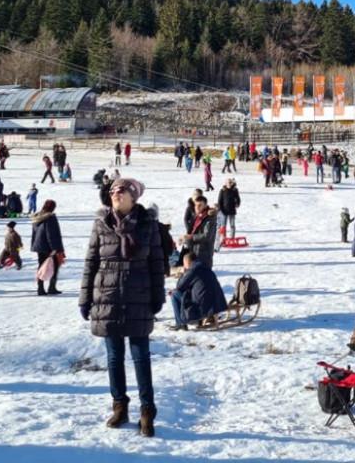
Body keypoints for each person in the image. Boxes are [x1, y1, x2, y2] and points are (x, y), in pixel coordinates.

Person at [79, 177, 164, 438]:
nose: (115, 194)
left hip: (139, 296)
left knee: (141, 357)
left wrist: (157, 296)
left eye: (121, 190)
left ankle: (147, 411)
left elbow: (157, 263)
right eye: (113, 190)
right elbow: (91, 260)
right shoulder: (101, 223)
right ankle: (120, 406)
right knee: (114, 358)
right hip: (106, 297)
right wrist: (85, 298)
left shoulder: (148, 224)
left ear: (133, 196)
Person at [169, 252, 227, 331]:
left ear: (187, 262)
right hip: (217, 304)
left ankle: (180, 324)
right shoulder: (205, 267)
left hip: (202, 308)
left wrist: (184, 273)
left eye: (184, 264)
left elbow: (179, 286)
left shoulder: (193, 270)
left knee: (174, 294)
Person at [31, 199, 65, 295]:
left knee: (41, 266)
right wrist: (55, 248)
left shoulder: (36, 217)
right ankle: (52, 287)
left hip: (39, 246)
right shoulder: (50, 218)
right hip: (49, 247)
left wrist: (34, 245)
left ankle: (40, 288)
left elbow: (34, 233)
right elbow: (51, 234)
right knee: (55, 266)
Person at [183, 196, 217, 270]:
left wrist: (191, 237)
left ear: (205, 205)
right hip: (195, 252)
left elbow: (206, 236)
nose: (197, 207)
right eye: (196, 205)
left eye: (200, 205)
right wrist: (186, 238)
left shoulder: (209, 218)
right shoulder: (198, 216)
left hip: (204, 254)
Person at [215, 178, 241, 249]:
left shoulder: (234, 190)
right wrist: (221, 210)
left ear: (232, 183)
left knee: (232, 225)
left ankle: (232, 238)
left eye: (230, 182)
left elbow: (238, 198)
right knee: (223, 226)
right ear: (225, 183)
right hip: (224, 211)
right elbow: (219, 201)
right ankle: (224, 239)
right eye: (228, 182)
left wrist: (238, 203)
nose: (229, 184)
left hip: (232, 210)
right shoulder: (222, 190)